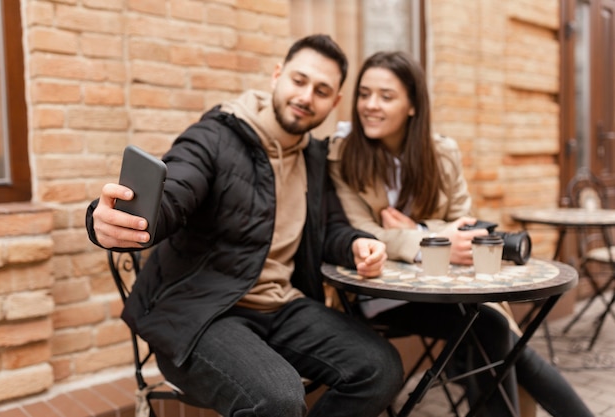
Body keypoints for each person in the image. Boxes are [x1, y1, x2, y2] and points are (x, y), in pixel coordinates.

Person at [85, 35, 404, 417]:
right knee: (278, 399)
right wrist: (111, 219)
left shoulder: (315, 157)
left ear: (334, 102)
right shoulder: (216, 135)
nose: (306, 96)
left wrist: (357, 244)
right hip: (202, 312)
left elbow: (332, 226)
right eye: (298, 81)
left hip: (282, 307)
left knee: (380, 368)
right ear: (277, 75)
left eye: (321, 90)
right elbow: (177, 189)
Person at [328, 50, 593, 417]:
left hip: (448, 290)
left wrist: (419, 231)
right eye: (364, 94)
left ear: (412, 105)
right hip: (382, 294)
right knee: (494, 333)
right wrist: (435, 241)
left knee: (496, 334)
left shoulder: (441, 152)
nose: (370, 105)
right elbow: (363, 232)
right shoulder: (343, 154)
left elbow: (466, 225)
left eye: (386, 96)